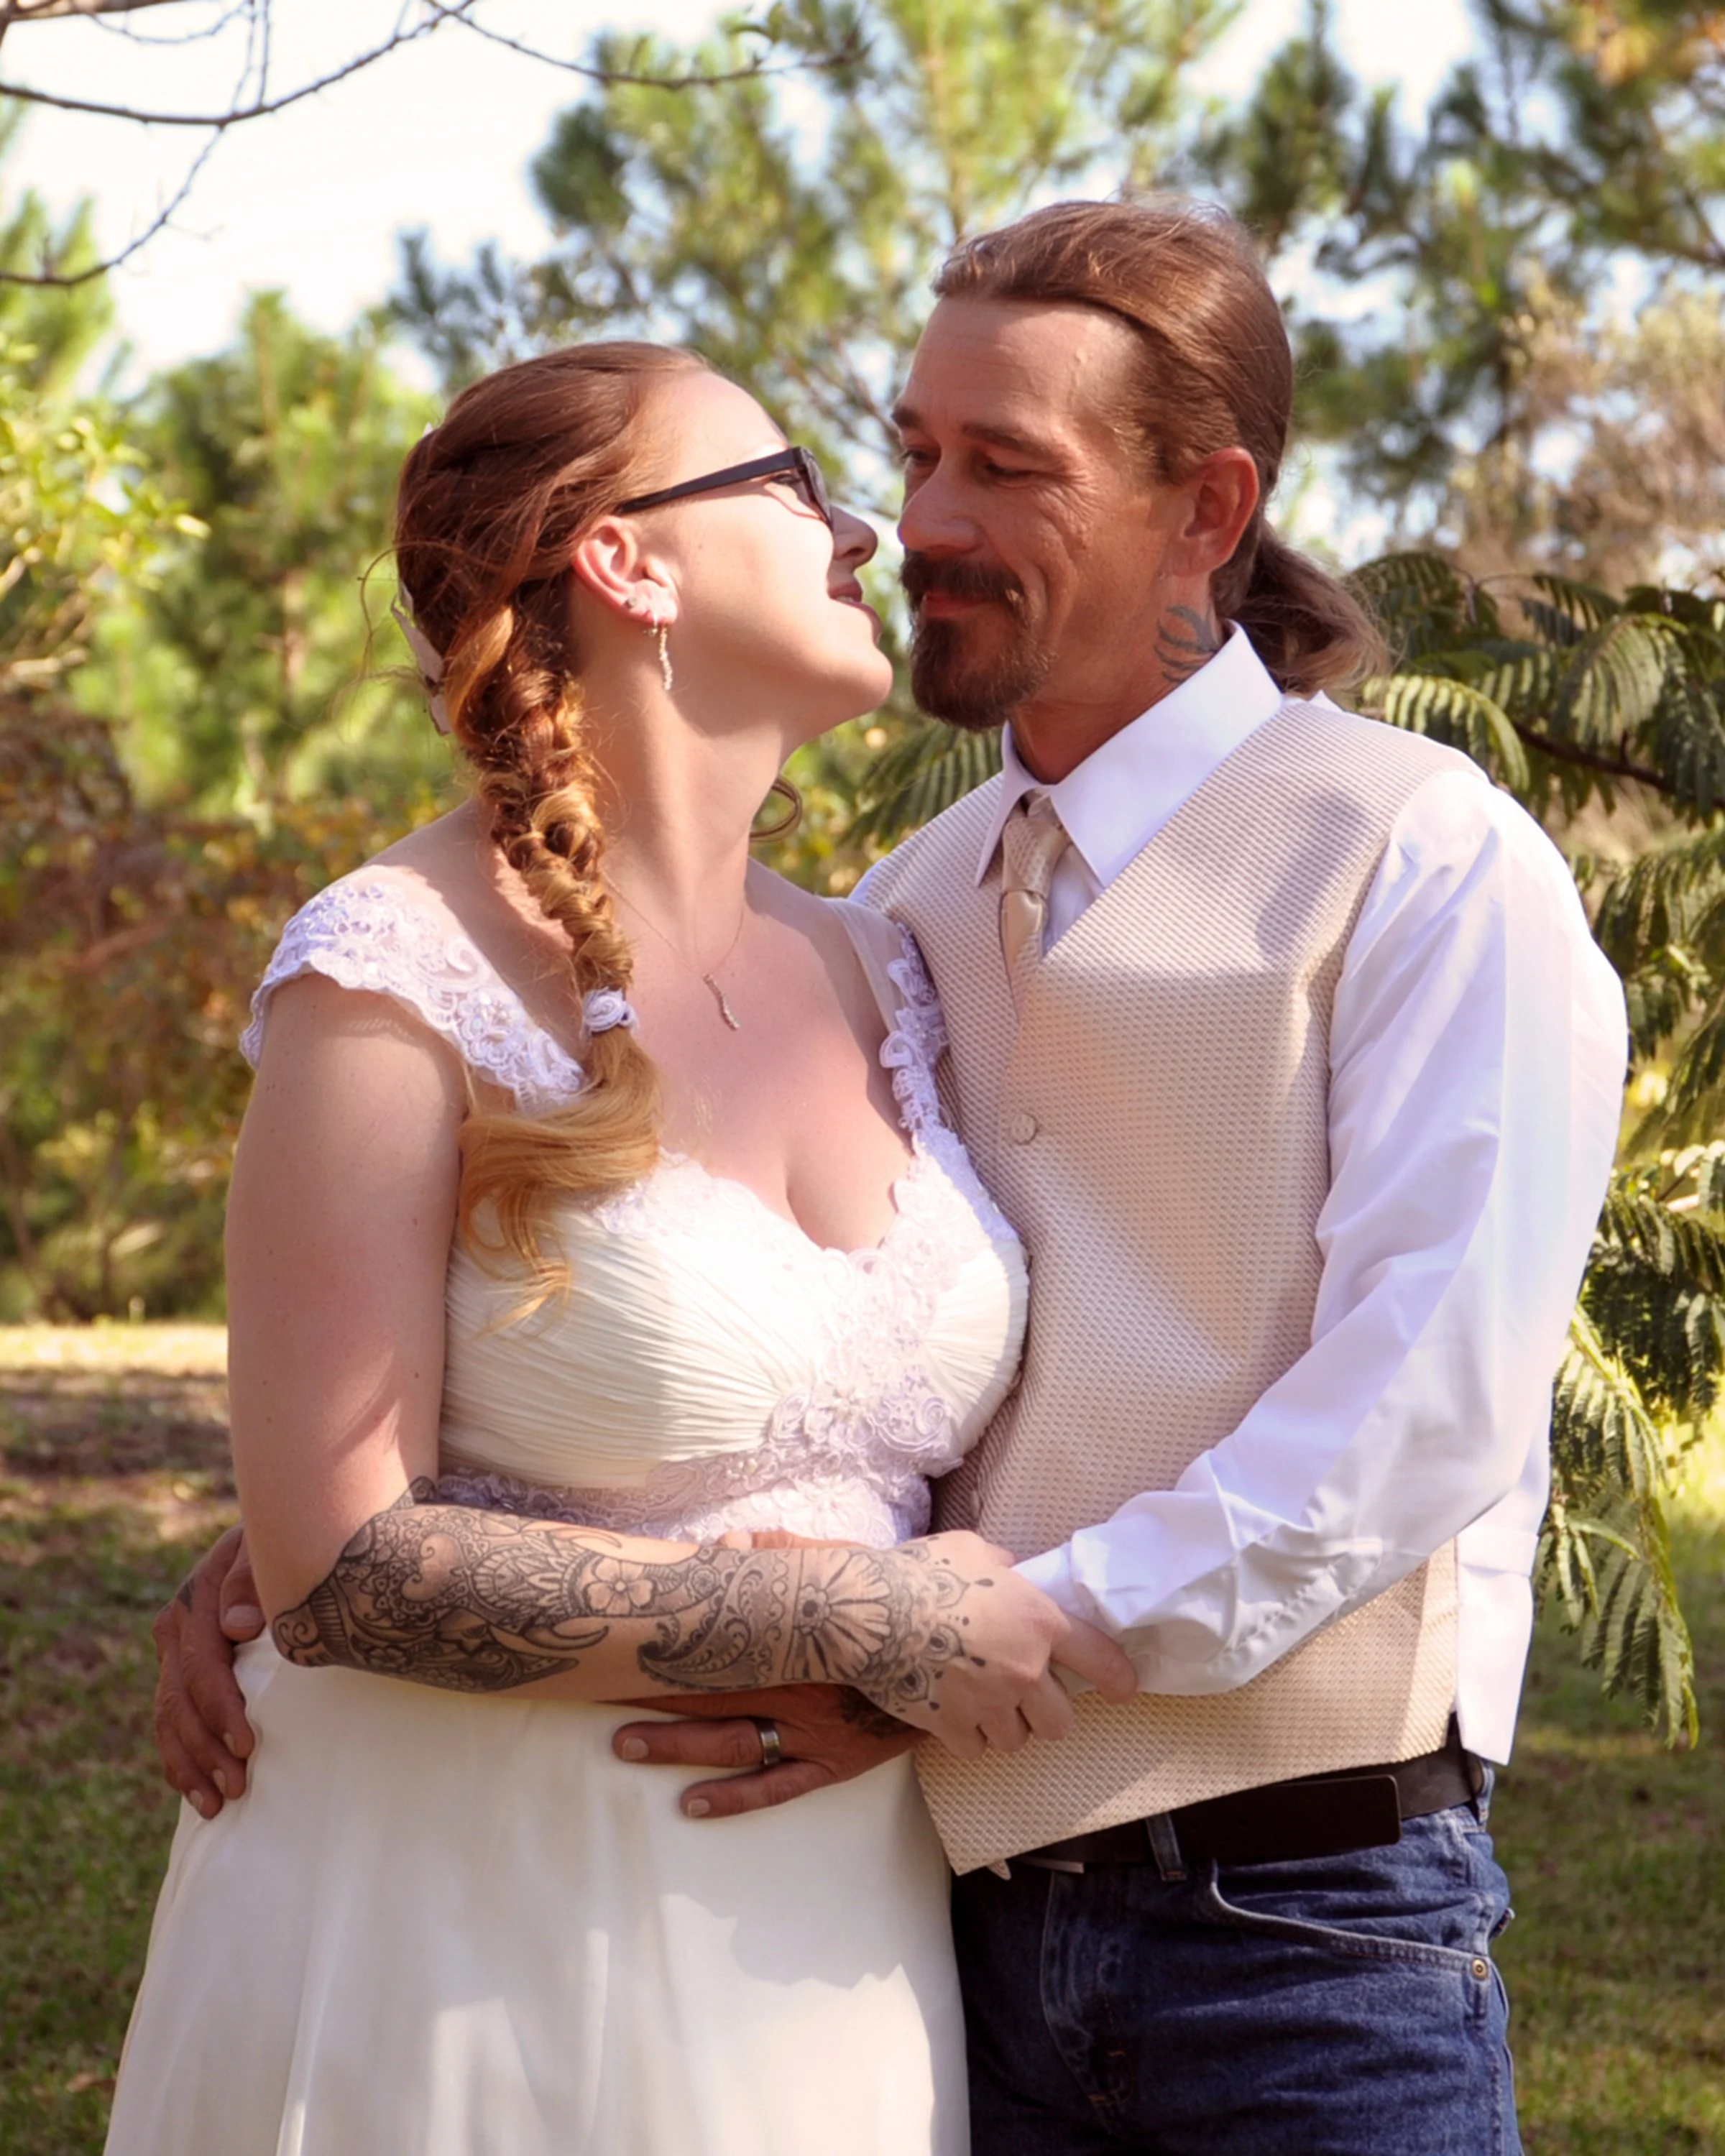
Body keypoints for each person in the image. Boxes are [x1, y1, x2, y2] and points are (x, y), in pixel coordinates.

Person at [157, 199, 1627, 2154]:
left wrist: (967, 1630)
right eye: (911, 447)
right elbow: (703, 1330)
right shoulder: (907, 923)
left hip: (1295, 1932)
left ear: (1209, 512)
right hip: (909, 1925)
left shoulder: (1425, 860)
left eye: (1002, 465)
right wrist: (338, 1536)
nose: (912, 516)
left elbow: (1425, 1405)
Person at [106, 337, 1137, 2156]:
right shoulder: (388, 971)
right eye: (789, 481)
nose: (864, 527)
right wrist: (859, 1619)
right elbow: (343, 1568)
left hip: (826, 1943)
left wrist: (907, 1635)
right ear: (625, 561)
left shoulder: (888, 961)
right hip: (461, 1930)